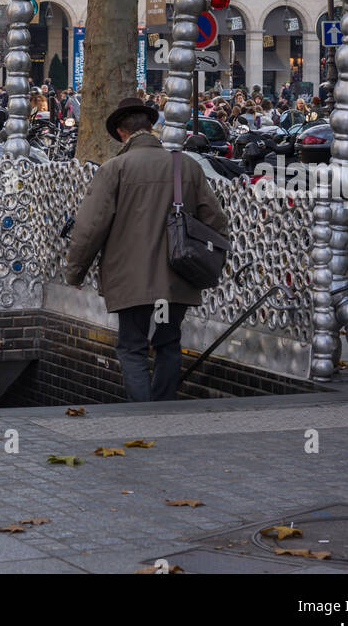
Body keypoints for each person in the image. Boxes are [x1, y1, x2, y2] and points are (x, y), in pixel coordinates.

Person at [64, 96, 227, 402]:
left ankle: (142, 413)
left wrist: (76, 272)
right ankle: (162, 409)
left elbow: (90, 228)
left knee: (132, 346)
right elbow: (216, 221)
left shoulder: (115, 169)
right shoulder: (186, 167)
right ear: (151, 128)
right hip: (176, 280)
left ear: (122, 134)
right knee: (167, 343)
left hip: (131, 283)